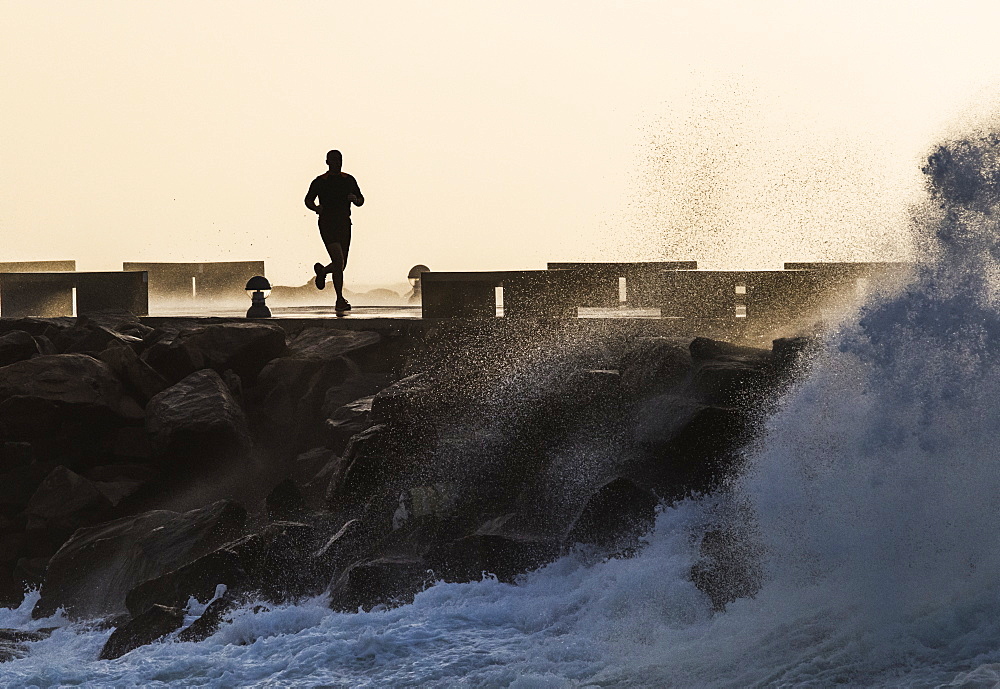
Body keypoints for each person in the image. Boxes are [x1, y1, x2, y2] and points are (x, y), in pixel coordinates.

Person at [304, 149, 364, 311]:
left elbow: (361, 199)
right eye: (334, 160)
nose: (337, 162)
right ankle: (339, 299)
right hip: (327, 223)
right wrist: (316, 208)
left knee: (341, 265)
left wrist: (355, 200)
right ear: (327, 162)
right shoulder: (320, 181)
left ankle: (323, 271)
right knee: (338, 261)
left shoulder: (348, 180)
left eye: (339, 160)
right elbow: (308, 200)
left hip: (344, 224)